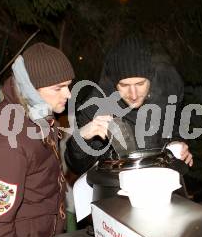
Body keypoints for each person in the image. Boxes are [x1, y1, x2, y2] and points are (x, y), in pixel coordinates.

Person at [0, 42, 75, 237]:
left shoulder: (37, 113)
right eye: (58, 88)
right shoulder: (6, 145)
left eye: (68, 85)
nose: (68, 94)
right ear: (29, 87)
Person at [64, 36, 192, 177]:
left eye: (140, 84)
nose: (134, 94)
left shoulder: (168, 84)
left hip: (162, 176)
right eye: (124, 85)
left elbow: (175, 123)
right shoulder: (97, 105)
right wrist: (82, 138)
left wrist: (177, 142)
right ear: (114, 82)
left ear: (151, 76)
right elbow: (77, 166)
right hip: (115, 184)